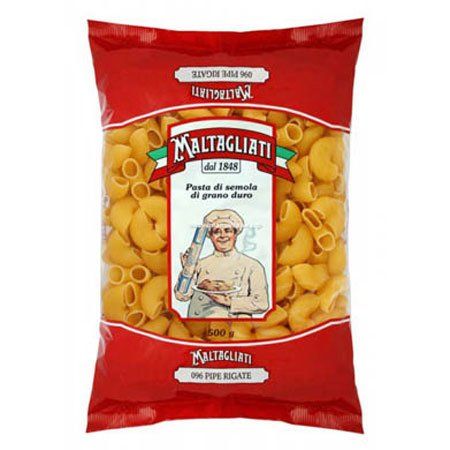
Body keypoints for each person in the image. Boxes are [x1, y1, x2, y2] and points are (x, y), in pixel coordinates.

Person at [175, 209, 269, 318]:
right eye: (217, 231)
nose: (222, 235)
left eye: (227, 230)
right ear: (211, 236)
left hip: (235, 325)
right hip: (199, 323)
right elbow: (182, 296)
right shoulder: (200, 264)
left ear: (235, 234)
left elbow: (261, 303)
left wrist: (228, 301)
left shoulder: (252, 265)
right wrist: (187, 270)